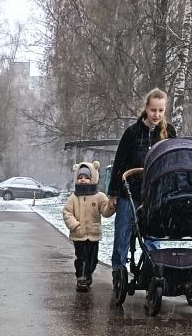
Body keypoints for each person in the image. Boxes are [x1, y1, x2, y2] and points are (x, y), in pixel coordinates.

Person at [107, 88, 176, 290]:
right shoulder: (132, 133)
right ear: (146, 108)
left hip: (155, 193)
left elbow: (172, 161)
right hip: (129, 190)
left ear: (165, 110)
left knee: (153, 233)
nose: (156, 115)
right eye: (153, 110)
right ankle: (118, 270)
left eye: (161, 110)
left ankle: (154, 271)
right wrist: (112, 194)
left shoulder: (169, 132)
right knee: (123, 232)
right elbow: (119, 162)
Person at [62, 162, 109, 292]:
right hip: (79, 235)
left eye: (87, 177)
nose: (83, 179)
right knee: (81, 257)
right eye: (80, 177)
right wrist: (75, 225)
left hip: (93, 235)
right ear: (76, 178)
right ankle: (81, 278)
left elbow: (105, 211)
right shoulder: (74, 198)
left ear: (93, 178)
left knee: (92, 259)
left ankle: (88, 275)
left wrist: (110, 206)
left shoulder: (99, 196)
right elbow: (67, 212)